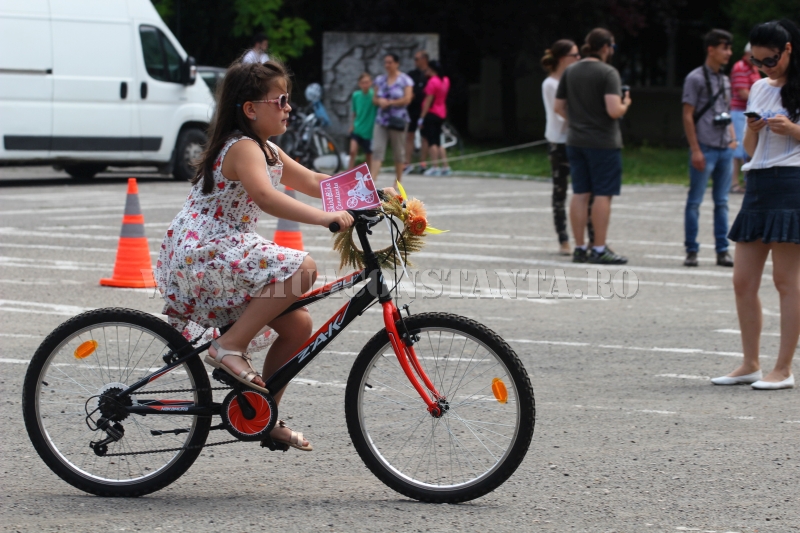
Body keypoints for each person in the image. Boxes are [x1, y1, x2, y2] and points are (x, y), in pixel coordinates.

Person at [155, 59, 356, 451]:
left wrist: (371, 195)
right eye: (280, 100)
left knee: (298, 326)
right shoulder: (243, 147)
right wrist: (325, 218)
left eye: (288, 100)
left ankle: (262, 415)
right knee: (303, 268)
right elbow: (266, 197)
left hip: (222, 251)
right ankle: (228, 347)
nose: (288, 108)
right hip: (204, 252)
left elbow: (314, 180)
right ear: (251, 108)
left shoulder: (266, 150)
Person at [714, 19, 800, 390]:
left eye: (770, 60)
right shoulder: (761, 88)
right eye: (758, 61)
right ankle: (750, 362)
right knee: (742, 280)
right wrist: (753, 129)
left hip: (792, 182)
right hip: (758, 182)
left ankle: (783, 368)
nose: (765, 67)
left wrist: (794, 130)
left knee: (786, 281)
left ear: (789, 50)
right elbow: (749, 151)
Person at [554, 28, 630, 265]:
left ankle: (579, 247)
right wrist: (626, 102)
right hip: (603, 142)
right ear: (606, 47)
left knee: (580, 193)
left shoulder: (571, 71)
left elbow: (558, 106)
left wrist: (578, 119)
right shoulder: (608, 73)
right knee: (603, 194)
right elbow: (613, 110)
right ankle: (598, 247)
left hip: (575, 140)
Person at [682, 29, 737, 268]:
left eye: (730, 48)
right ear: (711, 49)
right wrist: (695, 149)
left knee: (722, 202)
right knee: (695, 201)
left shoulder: (725, 80)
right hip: (704, 146)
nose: (729, 53)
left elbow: (727, 111)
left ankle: (722, 250)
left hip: (724, 147)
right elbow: (687, 115)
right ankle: (692, 250)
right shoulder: (694, 78)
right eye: (724, 48)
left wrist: (733, 138)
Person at [541, 39, 595, 256]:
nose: (578, 58)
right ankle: (563, 238)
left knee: (585, 190)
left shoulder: (572, 78)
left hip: (575, 138)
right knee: (560, 191)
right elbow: (559, 111)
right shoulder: (550, 84)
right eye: (575, 55)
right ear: (563, 58)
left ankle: (592, 237)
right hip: (559, 140)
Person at [371, 53, 413, 184]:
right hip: (381, 119)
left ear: (396, 63)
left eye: (390, 62)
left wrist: (390, 102)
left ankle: (397, 182)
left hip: (398, 119)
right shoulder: (380, 80)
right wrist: (380, 101)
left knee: (398, 151)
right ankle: (372, 181)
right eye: (386, 62)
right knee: (377, 149)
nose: (387, 65)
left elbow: (407, 99)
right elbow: (374, 99)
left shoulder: (405, 80)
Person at [730, 43, 762, 193]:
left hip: (751, 111)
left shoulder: (754, 68)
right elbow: (743, 93)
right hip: (739, 111)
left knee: (749, 148)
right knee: (738, 148)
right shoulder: (740, 67)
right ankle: (734, 182)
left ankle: (747, 181)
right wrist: (764, 101)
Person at [419, 60, 452, 176]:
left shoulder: (432, 82)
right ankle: (445, 166)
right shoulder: (445, 80)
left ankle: (435, 166)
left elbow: (428, 101)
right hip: (441, 112)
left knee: (432, 141)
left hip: (432, 113)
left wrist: (421, 117)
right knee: (439, 141)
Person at [405, 50, 430, 174]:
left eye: (417, 59)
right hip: (412, 109)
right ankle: (407, 163)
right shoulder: (411, 74)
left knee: (425, 136)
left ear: (424, 59)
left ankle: (423, 162)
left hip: (426, 109)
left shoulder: (430, 74)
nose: (415, 61)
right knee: (410, 135)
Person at [348, 72, 377, 170]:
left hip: (369, 130)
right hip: (358, 127)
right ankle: (348, 171)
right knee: (352, 151)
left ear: (370, 83)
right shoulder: (356, 95)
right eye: (363, 82)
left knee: (368, 154)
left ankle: (370, 174)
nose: (365, 85)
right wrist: (352, 125)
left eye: (367, 82)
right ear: (359, 84)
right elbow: (354, 112)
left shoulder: (374, 95)